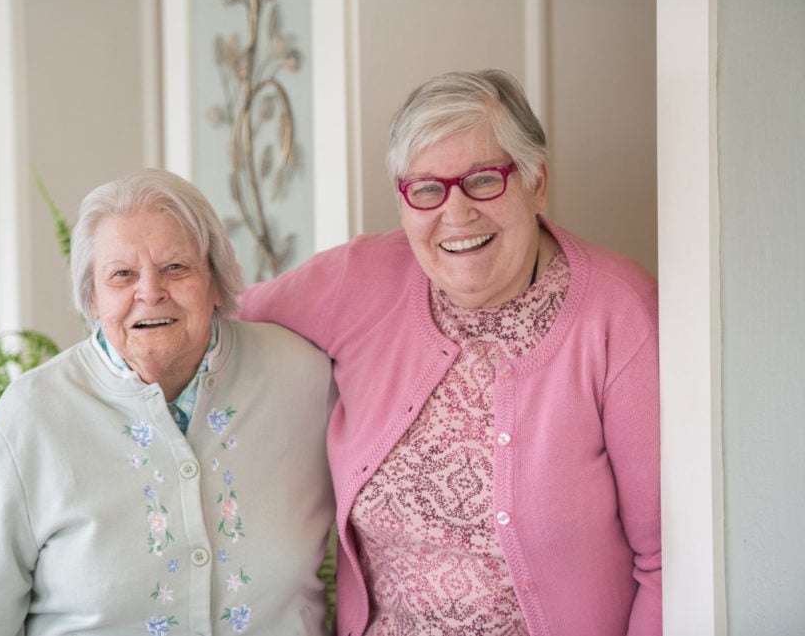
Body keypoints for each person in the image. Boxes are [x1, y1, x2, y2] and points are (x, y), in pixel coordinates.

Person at [239, 68, 661, 635]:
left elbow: (665, 561)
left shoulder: (617, 311)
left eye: (484, 180)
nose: (456, 213)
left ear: (536, 181)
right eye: (428, 189)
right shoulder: (363, 279)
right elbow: (219, 320)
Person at [0, 169, 336, 636]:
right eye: (121, 275)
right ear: (92, 299)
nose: (150, 292)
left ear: (216, 281)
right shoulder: (32, 416)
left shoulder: (304, 379)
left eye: (176, 267)